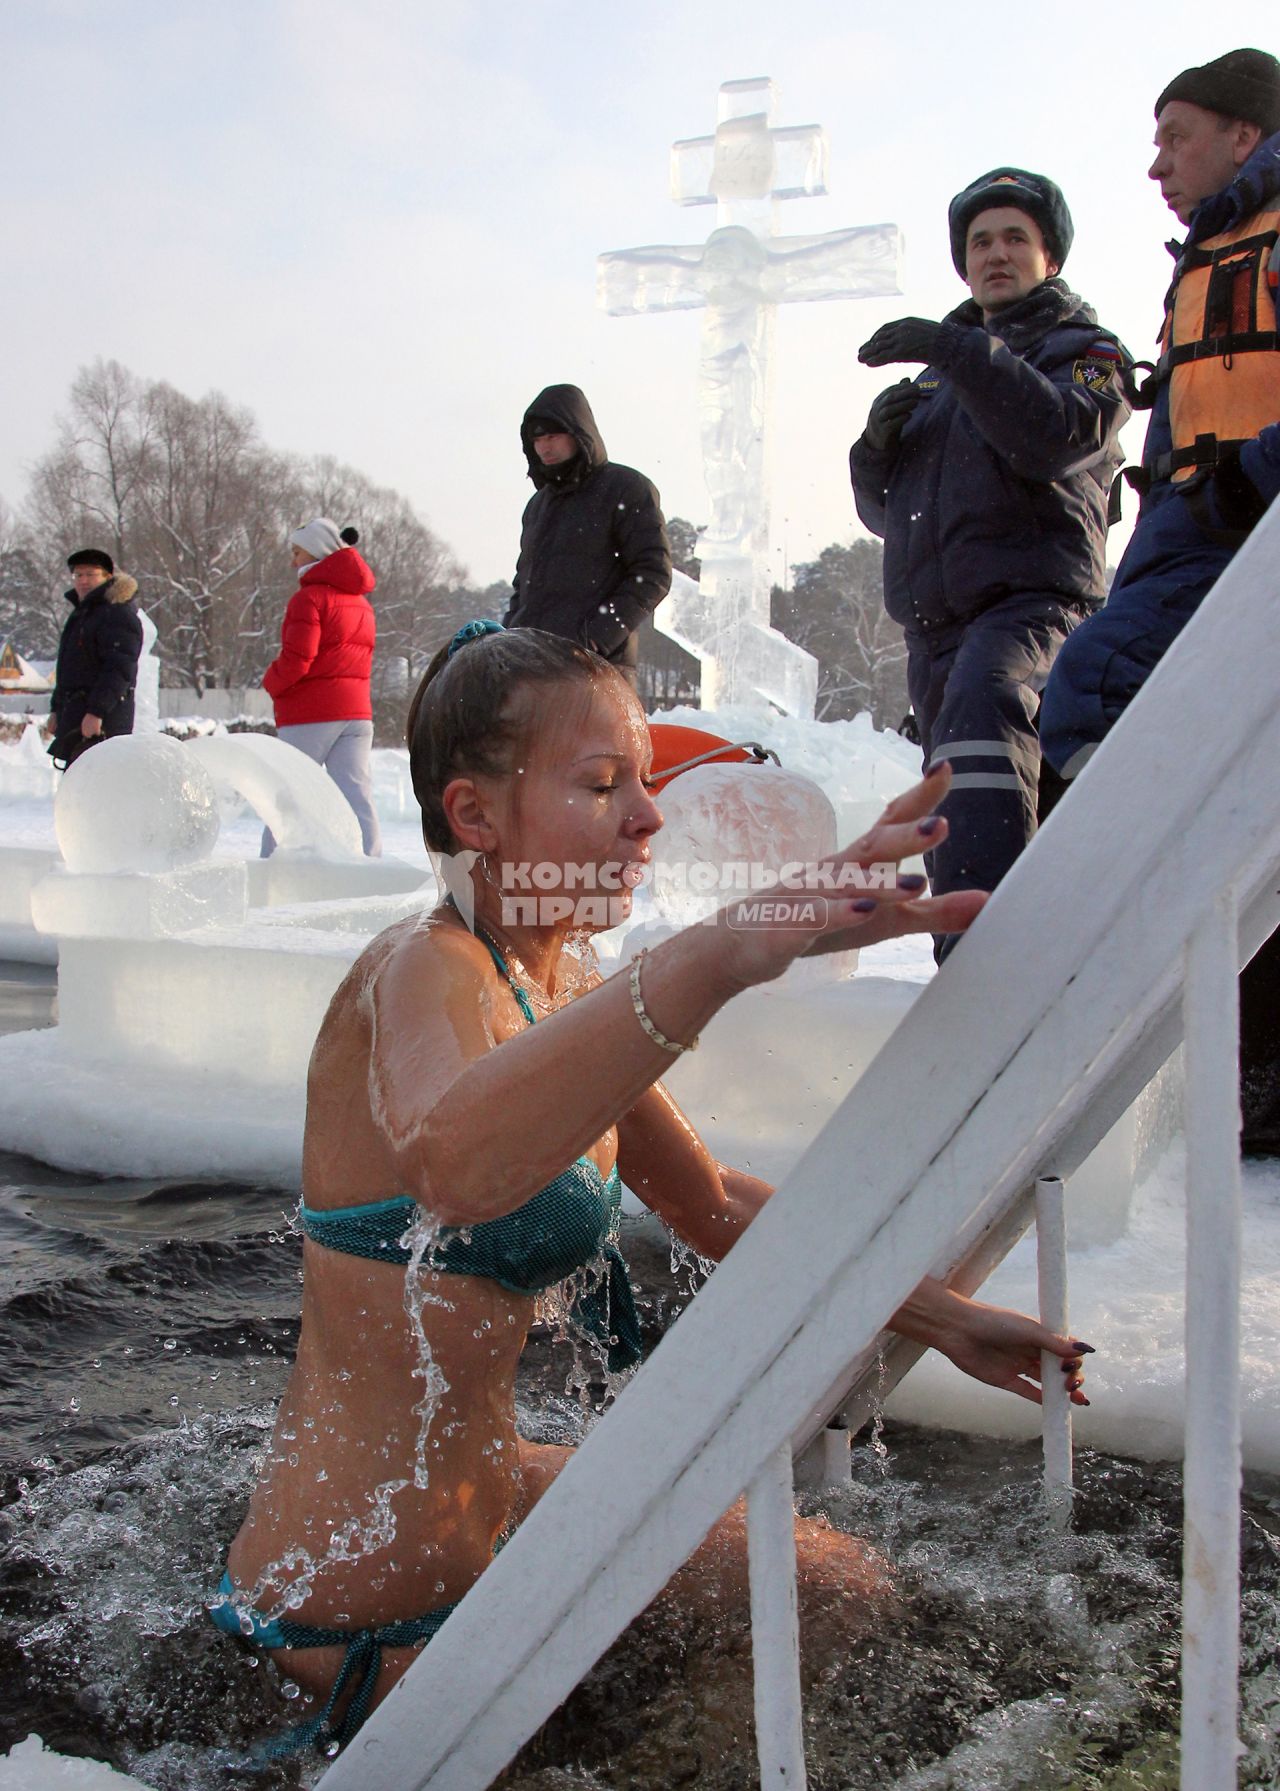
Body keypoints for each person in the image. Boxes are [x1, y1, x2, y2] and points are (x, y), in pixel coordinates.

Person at [213, 621, 1091, 1756]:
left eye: (645, 779)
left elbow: (710, 1200)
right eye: (600, 784)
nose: (647, 816)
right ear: (475, 816)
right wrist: (720, 953)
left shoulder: (557, 979)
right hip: (351, 1598)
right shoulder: (417, 969)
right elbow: (451, 1164)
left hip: (491, 1495)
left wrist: (939, 1315)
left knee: (832, 1591)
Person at [1039, 48, 1280, 1150]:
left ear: (1242, 133)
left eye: (1173, 136)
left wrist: (1251, 475)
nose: (1153, 164)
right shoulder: (1203, 260)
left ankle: (1129, 943)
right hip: (1197, 529)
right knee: (1093, 691)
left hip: (1250, 520)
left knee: (1092, 689)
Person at [850, 169, 1131, 959]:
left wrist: (957, 349)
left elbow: (1054, 436)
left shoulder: (1084, 349)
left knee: (983, 723)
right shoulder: (942, 376)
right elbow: (885, 515)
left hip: (1032, 604)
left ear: (1049, 254)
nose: (996, 254)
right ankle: (987, 962)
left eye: (1015, 238)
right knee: (957, 794)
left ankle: (991, 958)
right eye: (980, 242)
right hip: (935, 629)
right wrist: (873, 452)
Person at [504, 384, 672, 684]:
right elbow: (523, 587)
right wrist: (509, 636)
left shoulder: (626, 489)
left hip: (599, 673)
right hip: (530, 668)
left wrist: (593, 640)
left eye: (553, 436)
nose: (544, 446)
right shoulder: (539, 505)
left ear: (578, 433)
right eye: (537, 439)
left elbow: (652, 573)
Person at [262, 518, 382, 857]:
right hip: (357, 713)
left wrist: (270, 682)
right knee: (356, 793)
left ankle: (272, 865)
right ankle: (371, 866)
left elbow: (298, 659)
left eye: (297, 552)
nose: (292, 561)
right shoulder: (362, 603)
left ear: (315, 553)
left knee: (287, 792)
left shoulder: (309, 599)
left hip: (311, 713)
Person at [47, 548, 144, 769]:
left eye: (91, 574)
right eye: (78, 575)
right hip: (75, 715)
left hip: (103, 721)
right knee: (78, 788)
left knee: (101, 787)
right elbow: (68, 670)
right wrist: (56, 709)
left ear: (107, 577)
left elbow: (119, 670)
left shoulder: (117, 613)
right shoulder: (82, 615)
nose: (83, 581)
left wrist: (96, 712)